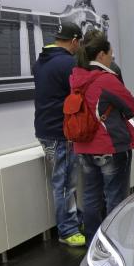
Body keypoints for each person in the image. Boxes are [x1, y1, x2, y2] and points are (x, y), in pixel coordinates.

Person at [70, 32, 134, 239]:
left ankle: (94, 241)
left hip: (84, 147)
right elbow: (132, 107)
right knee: (116, 198)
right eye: (110, 54)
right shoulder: (106, 80)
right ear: (101, 55)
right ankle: (114, 243)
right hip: (110, 145)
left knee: (90, 196)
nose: (112, 58)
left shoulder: (76, 79)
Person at [33, 22, 85, 247]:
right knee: (64, 183)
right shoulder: (68, 64)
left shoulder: (41, 62)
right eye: (78, 43)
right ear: (74, 41)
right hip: (60, 131)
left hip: (45, 129)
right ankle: (67, 230)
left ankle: (72, 218)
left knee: (64, 180)